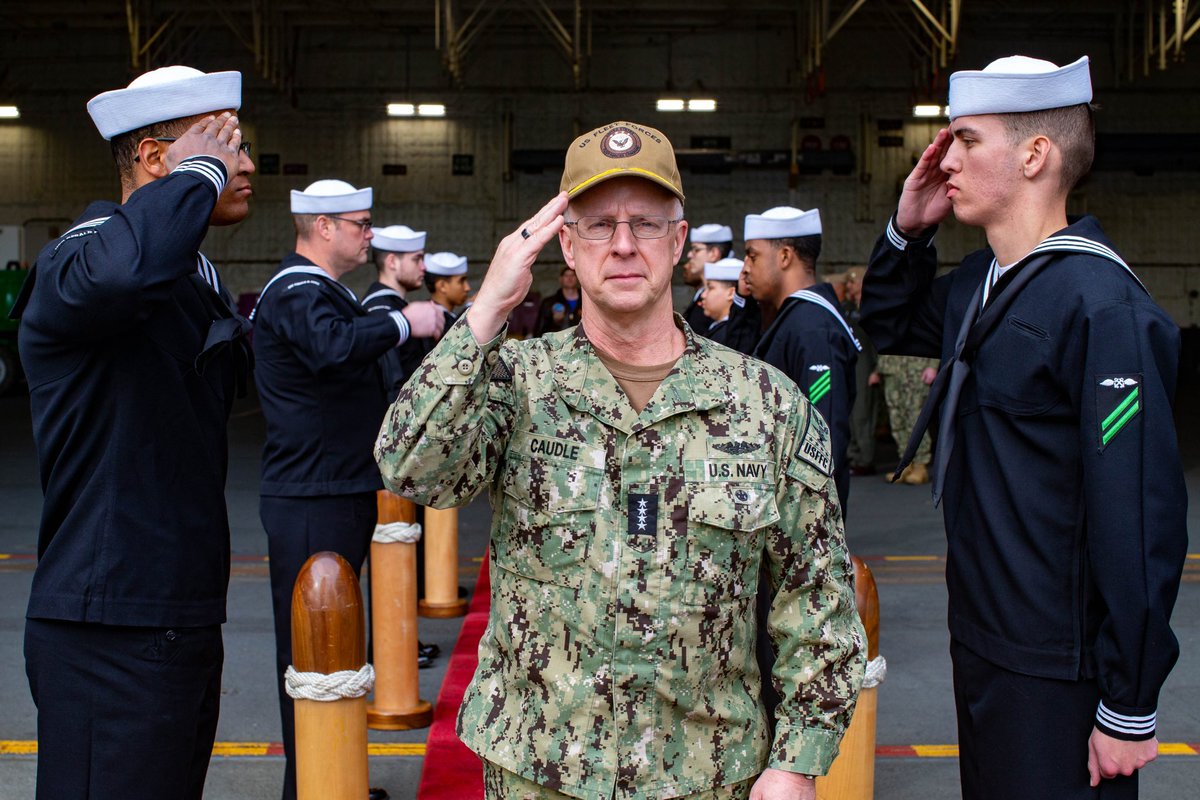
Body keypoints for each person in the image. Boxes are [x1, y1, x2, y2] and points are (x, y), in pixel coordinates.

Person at [375, 120, 864, 800]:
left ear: (681, 240)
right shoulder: (517, 381)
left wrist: (797, 762)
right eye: (599, 225)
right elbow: (409, 466)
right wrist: (487, 307)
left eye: (647, 223)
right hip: (538, 773)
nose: (625, 244)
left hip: (709, 774)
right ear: (565, 246)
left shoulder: (764, 404)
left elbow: (818, 601)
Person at [859, 55, 1188, 799]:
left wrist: (1130, 702)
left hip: (1057, 664)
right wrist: (907, 231)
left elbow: (1139, 517)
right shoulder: (985, 283)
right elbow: (890, 319)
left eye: (967, 141)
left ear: (1035, 155)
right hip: (984, 635)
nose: (944, 160)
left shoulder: (1103, 308)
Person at [14, 66, 252, 799]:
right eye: (221, 145)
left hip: (173, 612)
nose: (241, 165)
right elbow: (116, 278)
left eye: (238, 149)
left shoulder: (189, 274)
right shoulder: (83, 255)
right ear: (155, 159)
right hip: (107, 632)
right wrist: (199, 174)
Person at [251, 179, 443, 800]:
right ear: (324, 227)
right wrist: (401, 322)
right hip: (313, 496)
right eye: (360, 223)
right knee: (315, 653)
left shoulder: (320, 290)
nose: (369, 233)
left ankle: (329, 782)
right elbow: (334, 349)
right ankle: (310, 788)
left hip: (333, 488)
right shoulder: (296, 290)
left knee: (336, 650)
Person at [742, 206, 860, 512]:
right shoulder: (794, 321)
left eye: (752, 256)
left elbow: (823, 430)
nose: (745, 268)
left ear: (784, 256)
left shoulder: (813, 329)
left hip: (804, 515)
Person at [363, 223, 429, 397]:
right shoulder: (380, 310)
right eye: (417, 259)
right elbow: (391, 383)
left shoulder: (395, 306)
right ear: (392, 262)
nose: (424, 267)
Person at [873, 354, 937, 484]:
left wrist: (933, 366)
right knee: (896, 416)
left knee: (915, 417)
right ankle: (905, 464)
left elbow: (934, 338)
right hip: (891, 368)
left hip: (916, 368)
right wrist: (877, 370)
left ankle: (920, 465)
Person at [842, 268, 881, 476]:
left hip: (866, 365)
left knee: (863, 414)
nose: (849, 286)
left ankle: (865, 459)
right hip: (853, 365)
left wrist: (877, 369)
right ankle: (854, 455)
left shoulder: (871, 307)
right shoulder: (848, 309)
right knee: (852, 412)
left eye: (853, 282)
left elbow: (878, 342)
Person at [680, 222, 733, 334]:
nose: (689, 255)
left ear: (714, 253)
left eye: (696, 250)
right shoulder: (701, 292)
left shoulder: (719, 300)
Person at [697, 256, 742, 344]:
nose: (703, 295)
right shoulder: (717, 327)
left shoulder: (731, 334)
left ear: (731, 293)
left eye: (710, 288)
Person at [424, 250, 471, 333]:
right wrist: (472, 309)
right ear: (442, 286)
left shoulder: (446, 317)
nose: (467, 288)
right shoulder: (430, 321)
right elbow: (454, 335)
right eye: (461, 281)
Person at [534, 265, 583, 335]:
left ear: (578, 278)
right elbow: (539, 330)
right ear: (560, 279)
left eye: (573, 275)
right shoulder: (548, 303)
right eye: (566, 275)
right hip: (558, 343)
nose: (570, 278)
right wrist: (556, 322)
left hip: (582, 342)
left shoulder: (587, 302)